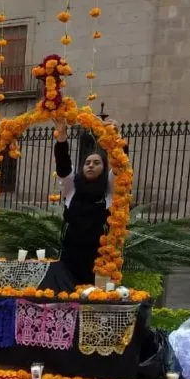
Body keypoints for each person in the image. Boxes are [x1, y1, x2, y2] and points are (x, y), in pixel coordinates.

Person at [54, 119, 115, 285]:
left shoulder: (108, 191)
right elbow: (63, 166)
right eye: (87, 163)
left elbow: (120, 169)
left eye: (96, 163)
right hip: (70, 257)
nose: (90, 166)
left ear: (104, 168)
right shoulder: (72, 187)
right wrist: (62, 136)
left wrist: (114, 137)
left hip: (98, 258)